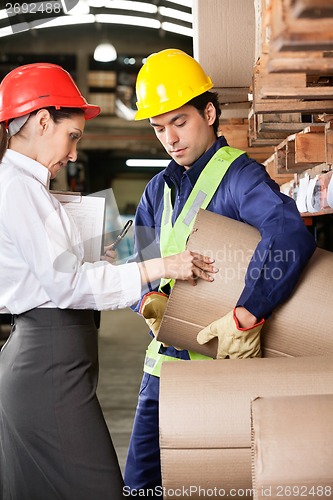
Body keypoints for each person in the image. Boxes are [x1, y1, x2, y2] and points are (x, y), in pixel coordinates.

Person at [0, 62, 217, 500]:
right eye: (72, 136)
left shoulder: (29, 187)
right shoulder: (18, 188)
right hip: (47, 365)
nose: (75, 153)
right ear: (43, 121)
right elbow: (65, 286)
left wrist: (94, 260)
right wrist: (158, 267)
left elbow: (57, 273)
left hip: (52, 361)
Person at [124, 48, 317, 494]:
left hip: (222, 372)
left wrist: (248, 313)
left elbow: (289, 234)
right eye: (158, 128)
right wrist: (148, 299)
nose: (170, 138)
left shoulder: (240, 178)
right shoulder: (157, 190)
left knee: (212, 485)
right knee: (140, 487)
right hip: (161, 372)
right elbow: (144, 257)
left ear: (208, 113)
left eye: (179, 122)